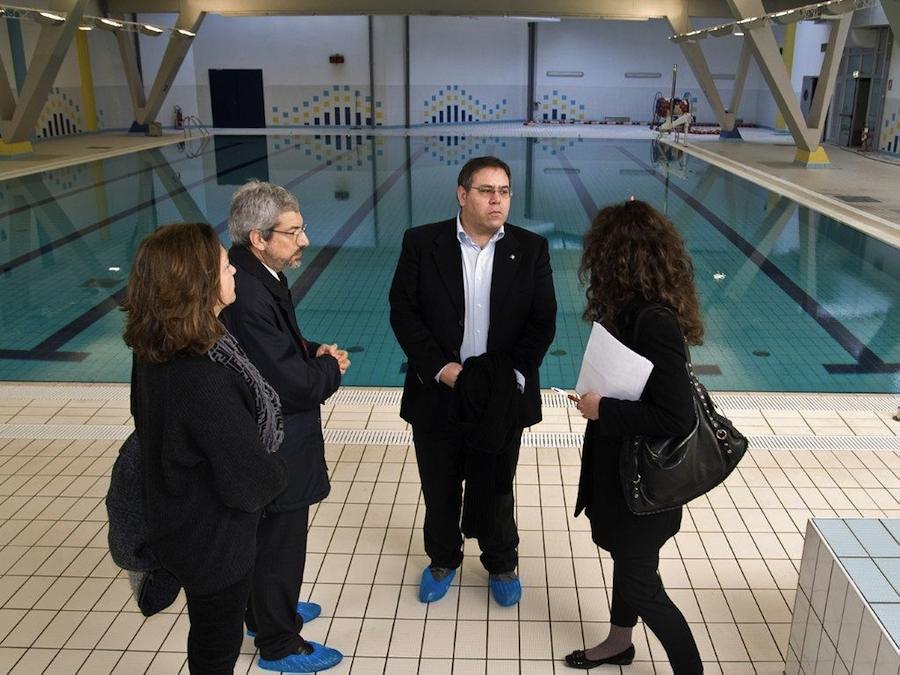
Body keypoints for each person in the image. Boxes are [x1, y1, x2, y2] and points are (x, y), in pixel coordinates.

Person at [389, 156, 557, 607]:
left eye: (504, 191)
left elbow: (542, 323)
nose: (497, 199)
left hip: (501, 397)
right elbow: (404, 314)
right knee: (440, 487)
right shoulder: (422, 244)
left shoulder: (532, 248)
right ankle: (443, 558)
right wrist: (443, 369)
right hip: (439, 391)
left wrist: (506, 378)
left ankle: (501, 561)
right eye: (486, 191)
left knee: (498, 486)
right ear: (462, 195)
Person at [123, 222, 288, 674]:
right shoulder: (203, 377)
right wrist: (278, 469)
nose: (232, 267)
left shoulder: (155, 348)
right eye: (222, 263)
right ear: (198, 284)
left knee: (210, 631)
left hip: (177, 512)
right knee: (216, 645)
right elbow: (249, 484)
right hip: (212, 541)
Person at [565, 199, 704, 673]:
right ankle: (619, 643)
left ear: (615, 258)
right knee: (628, 566)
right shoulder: (633, 310)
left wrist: (603, 407)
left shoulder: (655, 321)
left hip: (642, 487)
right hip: (623, 477)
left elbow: (675, 416)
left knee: (643, 586)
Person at [221, 180, 348, 673]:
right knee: (281, 540)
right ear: (259, 236)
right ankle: (278, 641)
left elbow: (273, 348)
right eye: (293, 232)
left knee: (270, 533)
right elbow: (294, 388)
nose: (304, 241)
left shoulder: (257, 272)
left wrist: (308, 348)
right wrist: (330, 368)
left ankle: (263, 613)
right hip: (273, 441)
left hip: (267, 434)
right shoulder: (250, 292)